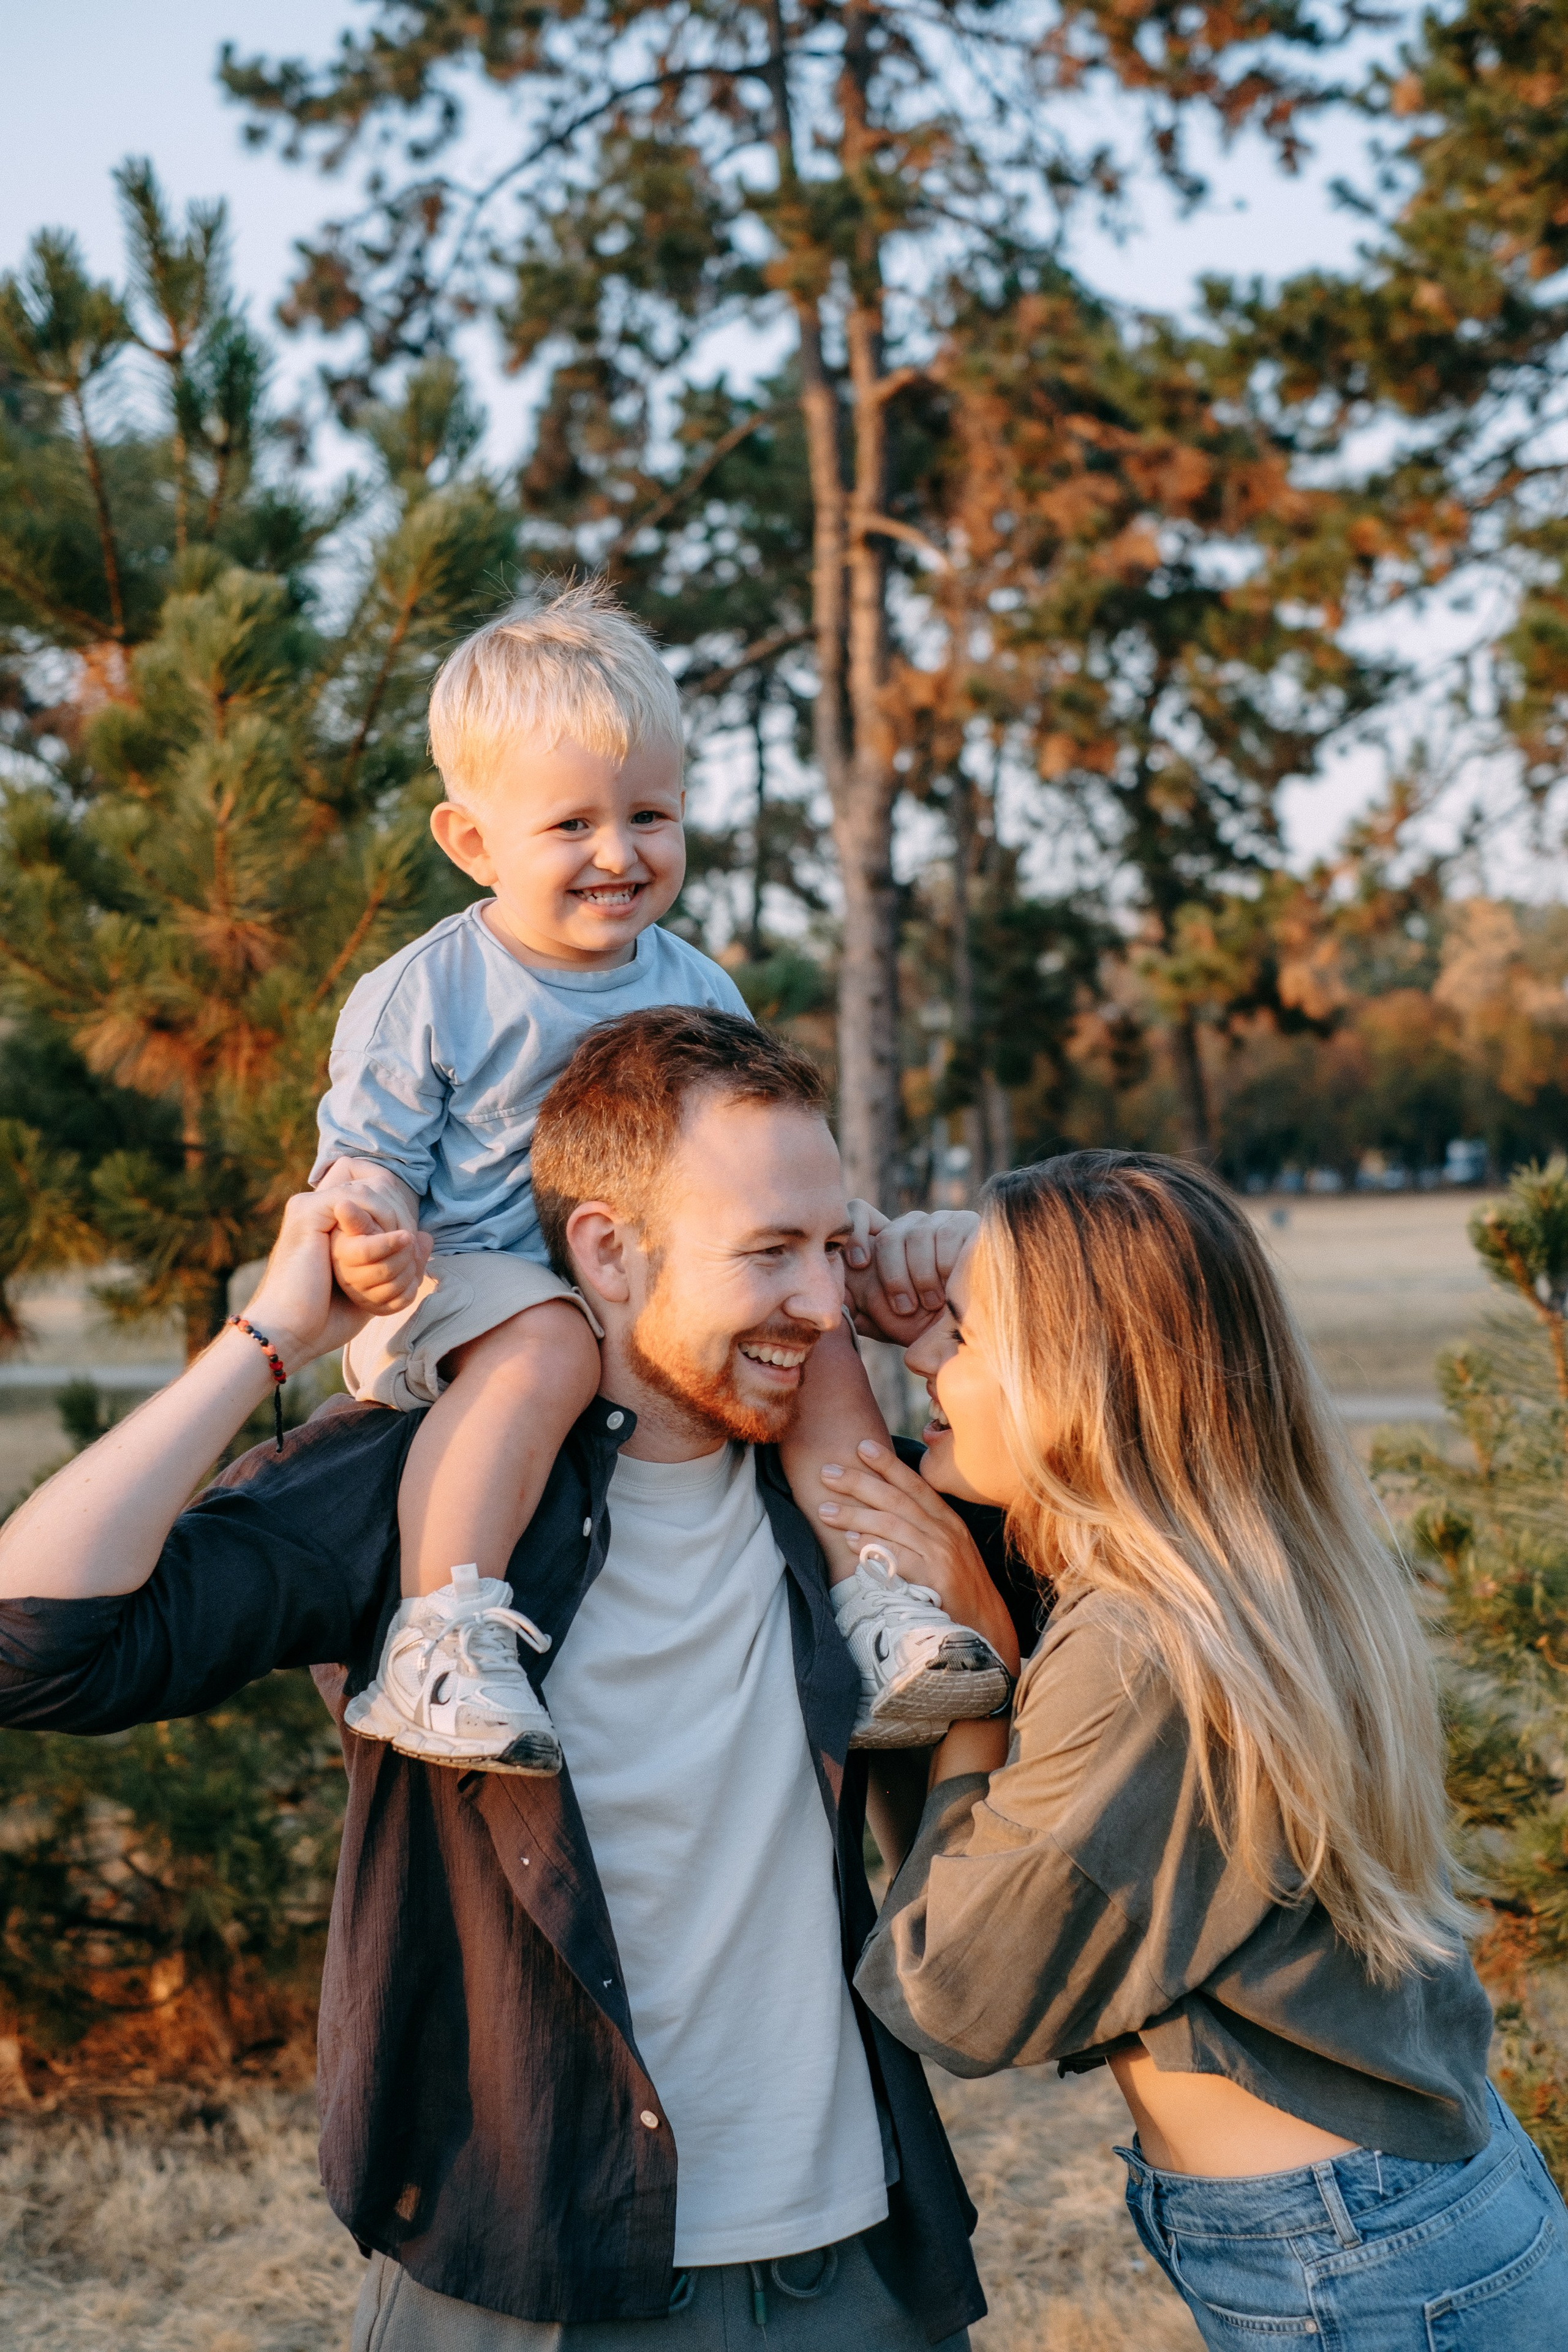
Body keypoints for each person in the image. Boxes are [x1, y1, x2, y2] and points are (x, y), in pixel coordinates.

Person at [0, 1011, 1007, 2348]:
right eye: (768, 1252)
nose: (822, 1307)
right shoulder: (425, 1494)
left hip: (856, 2264)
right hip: (527, 2276)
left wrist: (958, 1335)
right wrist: (266, 1341)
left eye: (830, 1247)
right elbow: (36, 1648)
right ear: (606, 1248)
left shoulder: (851, 1503)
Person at [824, 1149, 1568, 2350]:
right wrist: (970, 1290)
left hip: (1359, 2273)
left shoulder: (1137, 1654)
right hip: (1406, 2222)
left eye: (960, 1339)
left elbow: (956, 1988)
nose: (927, 1367)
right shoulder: (1237, 1567)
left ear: (1073, 1381)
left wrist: (964, 1683)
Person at [313, 580, 1008, 1773]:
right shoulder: (427, 991)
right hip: (470, 1292)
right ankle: (442, 1634)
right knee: (544, 1339)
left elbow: (746, 1156)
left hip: (647, 1294)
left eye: (649, 815)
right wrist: (370, 1219)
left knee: (820, 1330)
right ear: (472, 841)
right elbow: (365, 1159)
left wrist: (824, 1231)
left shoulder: (692, 982)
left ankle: (880, 1599)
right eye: (571, 825)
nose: (618, 854)